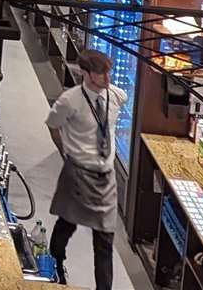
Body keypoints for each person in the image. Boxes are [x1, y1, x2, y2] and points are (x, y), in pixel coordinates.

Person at [47, 49, 128, 290]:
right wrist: (66, 153)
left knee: (104, 239)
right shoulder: (69, 101)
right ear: (84, 73)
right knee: (67, 223)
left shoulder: (117, 96)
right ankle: (55, 263)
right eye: (100, 73)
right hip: (78, 172)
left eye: (108, 72)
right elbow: (53, 126)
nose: (106, 78)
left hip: (106, 176)